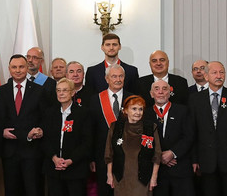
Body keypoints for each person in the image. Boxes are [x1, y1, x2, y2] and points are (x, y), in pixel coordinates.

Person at [188, 61, 227, 196]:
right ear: (207, 76)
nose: (219, 75)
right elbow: (192, 132)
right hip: (206, 163)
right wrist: (194, 159)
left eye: (222, 72)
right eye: (214, 72)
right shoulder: (194, 99)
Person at [0, 54, 46, 196]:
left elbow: (45, 118)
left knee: (33, 190)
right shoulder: (1, 91)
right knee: (12, 191)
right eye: (14, 67)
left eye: (21, 67)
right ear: (9, 69)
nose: (18, 70)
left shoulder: (39, 90)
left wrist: (41, 129)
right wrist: (1, 131)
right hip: (9, 152)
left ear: (27, 68)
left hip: (32, 152)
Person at [41, 78, 94, 196]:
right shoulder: (49, 113)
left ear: (73, 92)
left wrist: (70, 160)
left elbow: (87, 142)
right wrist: (54, 158)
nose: (61, 93)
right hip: (54, 167)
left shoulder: (83, 113)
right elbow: (45, 140)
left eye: (65, 90)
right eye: (58, 90)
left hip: (75, 168)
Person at [89, 64, 133, 196]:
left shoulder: (133, 99)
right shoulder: (95, 100)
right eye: (114, 76)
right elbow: (91, 132)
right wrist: (91, 158)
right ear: (107, 79)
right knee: (105, 190)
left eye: (121, 76)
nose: (118, 79)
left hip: (128, 156)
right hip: (102, 156)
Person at [144, 80, 195, 196]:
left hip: (180, 168)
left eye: (164, 89)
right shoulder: (145, 114)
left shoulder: (183, 111)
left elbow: (189, 136)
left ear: (170, 92)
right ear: (151, 94)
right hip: (156, 172)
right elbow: (144, 140)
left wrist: (172, 153)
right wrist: (159, 156)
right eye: (156, 89)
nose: (161, 92)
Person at [105, 95, 162, 196]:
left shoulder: (150, 127)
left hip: (143, 178)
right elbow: (109, 153)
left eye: (140, 109)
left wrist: (154, 177)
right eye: (134, 109)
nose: (138, 112)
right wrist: (109, 175)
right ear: (125, 110)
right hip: (121, 177)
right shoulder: (115, 127)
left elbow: (157, 155)